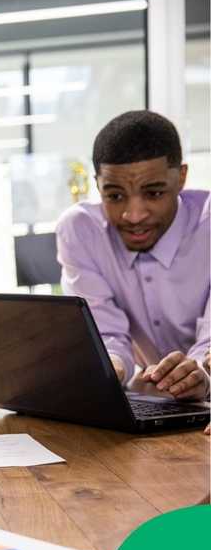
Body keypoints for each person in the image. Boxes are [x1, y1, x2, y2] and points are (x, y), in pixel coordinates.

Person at [56, 110, 209, 401]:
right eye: (114, 196)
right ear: (98, 185)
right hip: (151, 399)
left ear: (181, 178)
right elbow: (106, 334)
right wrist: (108, 368)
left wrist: (200, 373)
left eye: (153, 194)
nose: (133, 215)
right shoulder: (81, 231)